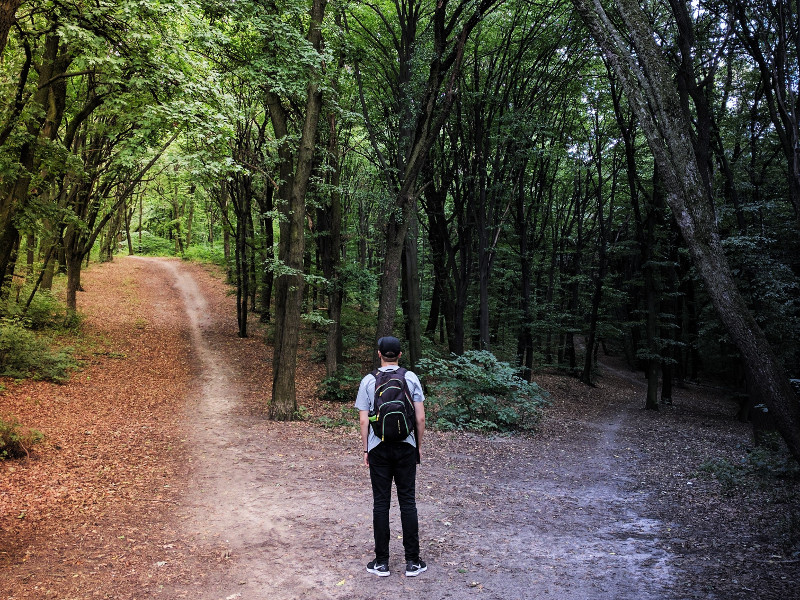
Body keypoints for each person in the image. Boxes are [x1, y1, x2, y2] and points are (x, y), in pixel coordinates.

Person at [355, 336, 427, 577]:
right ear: (399, 354)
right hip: (406, 445)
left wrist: (366, 449)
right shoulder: (411, 377)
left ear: (379, 354)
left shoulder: (368, 380)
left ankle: (382, 562)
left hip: (379, 447)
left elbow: (364, 419)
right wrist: (417, 445)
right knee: (408, 501)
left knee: (381, 503)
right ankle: (413, 562)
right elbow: (420, 418)